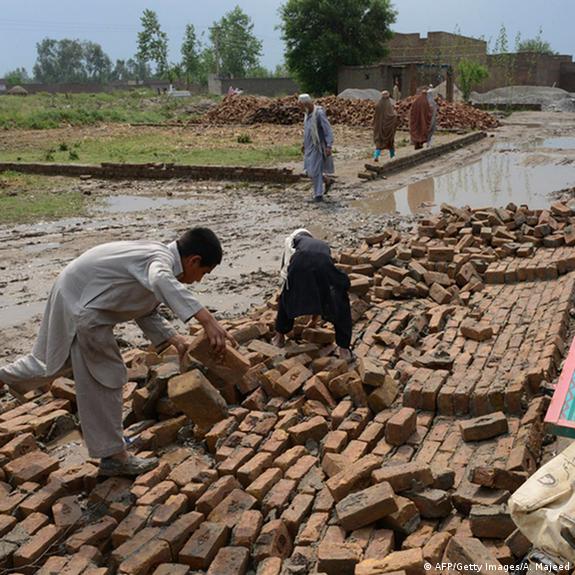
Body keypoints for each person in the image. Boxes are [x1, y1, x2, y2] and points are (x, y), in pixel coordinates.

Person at [0, 227, 235, 477]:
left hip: (73, 292)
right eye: (203, 273)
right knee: (107, 376)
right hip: (85, 305)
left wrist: (175, 340)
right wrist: (207, 320)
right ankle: (114, 457)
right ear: (193, 260)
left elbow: (144, 309)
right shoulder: (160, 261)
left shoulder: (155, 256)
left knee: (51, 362)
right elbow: (159, 280)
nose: (199, 280)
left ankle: (2, 377)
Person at [272, 229, 353, 361]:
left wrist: (287, 292)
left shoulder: (290, 242)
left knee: (287, 295)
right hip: (323, 262)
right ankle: (344, 349)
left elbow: (285, 274)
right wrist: (314, 320)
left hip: (299, 262)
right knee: (338, 297)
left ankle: (279, 338)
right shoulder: (321, 244)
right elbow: (320, 288)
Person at [298, 94, 334, 202]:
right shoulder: (307, 114)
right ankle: (327, 181)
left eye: (300, 105)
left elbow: (327, 130)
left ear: (306, 104)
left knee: (315, 171)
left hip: (318, 147)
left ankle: (318, 195)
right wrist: (304, 144)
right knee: (309, 171)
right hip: (309, 146)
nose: (300, 108)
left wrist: (329, 146)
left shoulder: (319, 113)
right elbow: (308, 131)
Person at [373, 90, 398, 162]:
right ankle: (392, 156)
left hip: (379, 128)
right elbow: (390, 115)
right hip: (388, 128)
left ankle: (376, 156)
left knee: (379, 143)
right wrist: (395, 116)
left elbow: (375, 117)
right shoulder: (388, 104)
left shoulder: (378, 104)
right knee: (390, 142)